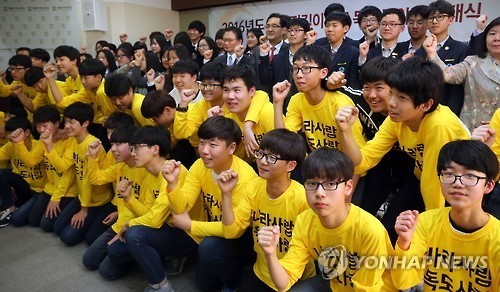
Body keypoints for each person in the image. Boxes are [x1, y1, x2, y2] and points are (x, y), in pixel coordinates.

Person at [335, 57, 470, 215]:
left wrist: (432, 223)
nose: (391, 103)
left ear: (425, 105)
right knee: (389, 229)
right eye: (391, 93)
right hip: (421, 179)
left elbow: (433, 182)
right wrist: (345, 130)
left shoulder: (439, 125)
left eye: (402, 98)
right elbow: (362, 162)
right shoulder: (396, 118)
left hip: (456, 187)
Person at [257, 147, 394, 291]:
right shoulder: (305, 221)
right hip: (335, 284)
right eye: (312, 184)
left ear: (348, 187)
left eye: (330, 184)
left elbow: (366, 289)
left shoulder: (370, 231)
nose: (320, 193)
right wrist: (270, 254)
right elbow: (283, 283)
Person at [163, 116, 258, 291]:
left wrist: (191, 225)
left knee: (209, 247)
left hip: (243, 240)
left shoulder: (245, 178)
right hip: (214, 233)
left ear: (232, 148)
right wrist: (172, 184)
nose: (204, 151)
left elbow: (234, 231)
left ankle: (235, 282)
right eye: (202, 143)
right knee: (205, 286)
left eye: (213, 145)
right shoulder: (200, 166)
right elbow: (181, 208)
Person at [393, 140, 500, 290]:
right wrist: (404, 242)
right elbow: (403, 282)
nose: (457, 183)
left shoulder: (496, 238)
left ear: (488, 185)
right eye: (449, 174)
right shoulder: (425, 222)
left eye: (469, 175)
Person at [221, 129, 314, 291]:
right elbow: (230, 231)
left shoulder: (303, 199)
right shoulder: (254, 187)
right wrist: (226, 194)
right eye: (260, 154)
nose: (262, 161)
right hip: (261, 273)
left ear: (291, 165)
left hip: (294, 278)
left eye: (271, 158)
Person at [105, 126, 192, 291]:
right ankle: (157, 258)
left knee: (134, 234)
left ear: (155, 149)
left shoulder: (173, 172)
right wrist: (129, 198)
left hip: (187, 234)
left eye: (136, 148)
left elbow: (153, 219)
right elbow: (149, 214)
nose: (133, 153)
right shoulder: (149, 173)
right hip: (165, 227)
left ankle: (162, 286)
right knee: (115, 251)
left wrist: (129, 224)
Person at [82, 125, 152, 280]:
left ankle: (138, 256)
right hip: (119, 224)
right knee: (88, 261)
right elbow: (96, 179)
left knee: (106, 272)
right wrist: (92, 158)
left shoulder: (147, 170)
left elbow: (150, 212)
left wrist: (125, 228)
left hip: (135, 228)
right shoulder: (120, 167)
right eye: (112, 144)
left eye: (118, 144)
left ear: (133, 146)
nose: (113, 149)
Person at [273, 45, 365, 154]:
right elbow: (283, 143)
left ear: (324, 73)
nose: (299, 75)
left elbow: (358, 156)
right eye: (296, 68)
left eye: (306, 68)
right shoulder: (297, 100)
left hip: (346, 167)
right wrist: (278, 103)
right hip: (317, 166)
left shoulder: (340, 103)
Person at [52, 102, 114, 246]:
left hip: (97, 200)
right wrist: (57, 197)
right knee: (56, 227)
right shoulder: (75, 140)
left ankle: (91, 224)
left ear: (85, 123)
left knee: (68, 238)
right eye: (66, 121)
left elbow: (87, 179)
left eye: (71, 122)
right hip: (82, 197)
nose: (66, 126)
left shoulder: (92, 145)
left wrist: (84, 210)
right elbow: (69, 170)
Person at [423, 16, 500, 132]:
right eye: (492, 34)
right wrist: (432, 53)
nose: (496, 38)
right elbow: (446, 74)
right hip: (473, 133)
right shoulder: (473, 62)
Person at [10, 106, 78, 229]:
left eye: (45, 125)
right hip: (49, 188)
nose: (41, 130)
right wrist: (19, 143)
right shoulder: (43, 141)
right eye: (38, 126)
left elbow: (62, 169)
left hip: (67, 191)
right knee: (32, 220)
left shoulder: (70, 140)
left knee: (46, 225)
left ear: (57, 123)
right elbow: (31, 161)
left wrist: (56, 198)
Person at [414, 0, 473, 116]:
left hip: (449, 112)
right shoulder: (420, 51)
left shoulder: (462, 49)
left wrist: (452, 114)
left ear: (451, 20)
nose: (434, 21)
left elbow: (460, 87)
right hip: (421, 112)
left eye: (440, 17)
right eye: (431, 18)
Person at [0, 116, 46, 227]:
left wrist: (19, 144)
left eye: (15, 133)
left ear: (27, 132)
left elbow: (31, 162)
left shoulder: (39, 145)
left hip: (40, 191)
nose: (11, 137)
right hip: (22, 187)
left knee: (17, 220)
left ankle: (18, 207)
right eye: (9, 134)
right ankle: (11, 207)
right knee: (2, 173)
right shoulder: (10, 146)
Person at [259, 17, 311, 109]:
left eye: (297, 30)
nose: (292, 33)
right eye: (289, 30)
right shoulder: (278, 58)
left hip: (307, 105)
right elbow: (264, 79)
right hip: (282, 107)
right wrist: (263, 56)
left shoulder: (312, 56)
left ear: (306, 34)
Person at [319, 11, 360, 88]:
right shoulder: (320, 51)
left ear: (345, 28)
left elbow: (353, 82)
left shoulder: (353, 52)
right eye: (327, 26)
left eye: (334, 26)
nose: (330, 29)